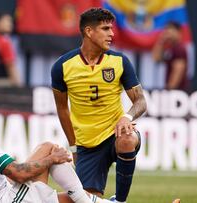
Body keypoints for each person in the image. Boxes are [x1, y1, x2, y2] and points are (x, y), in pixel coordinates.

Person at [51, 8, 147, 203]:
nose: (112, 34)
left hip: (116, 133)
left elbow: (141, 101)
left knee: (127, 138)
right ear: (88, 31)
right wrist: (74, 147)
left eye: (111, 29)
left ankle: (120, 200)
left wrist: (126, 117)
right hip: (87, 145)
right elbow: (62, 108)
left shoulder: (120, 61)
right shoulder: (62, 66)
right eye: (105, 29)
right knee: (84, 200)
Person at [0, 95, 112, 203]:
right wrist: (53, 159)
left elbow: (10, 178)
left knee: (71, 199)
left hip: (4, 197)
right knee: (49, 149)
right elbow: (20, 175)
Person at [151, 21, 189, 90]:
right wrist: (161, 41)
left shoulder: (179, 48)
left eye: (171, 30)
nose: (168, 33)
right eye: (166, 30)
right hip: (171, 90)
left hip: (178, 91)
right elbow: (156, 58)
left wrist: (170, 89)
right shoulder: (170, 49)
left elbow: (178, 71)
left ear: (178, 32)